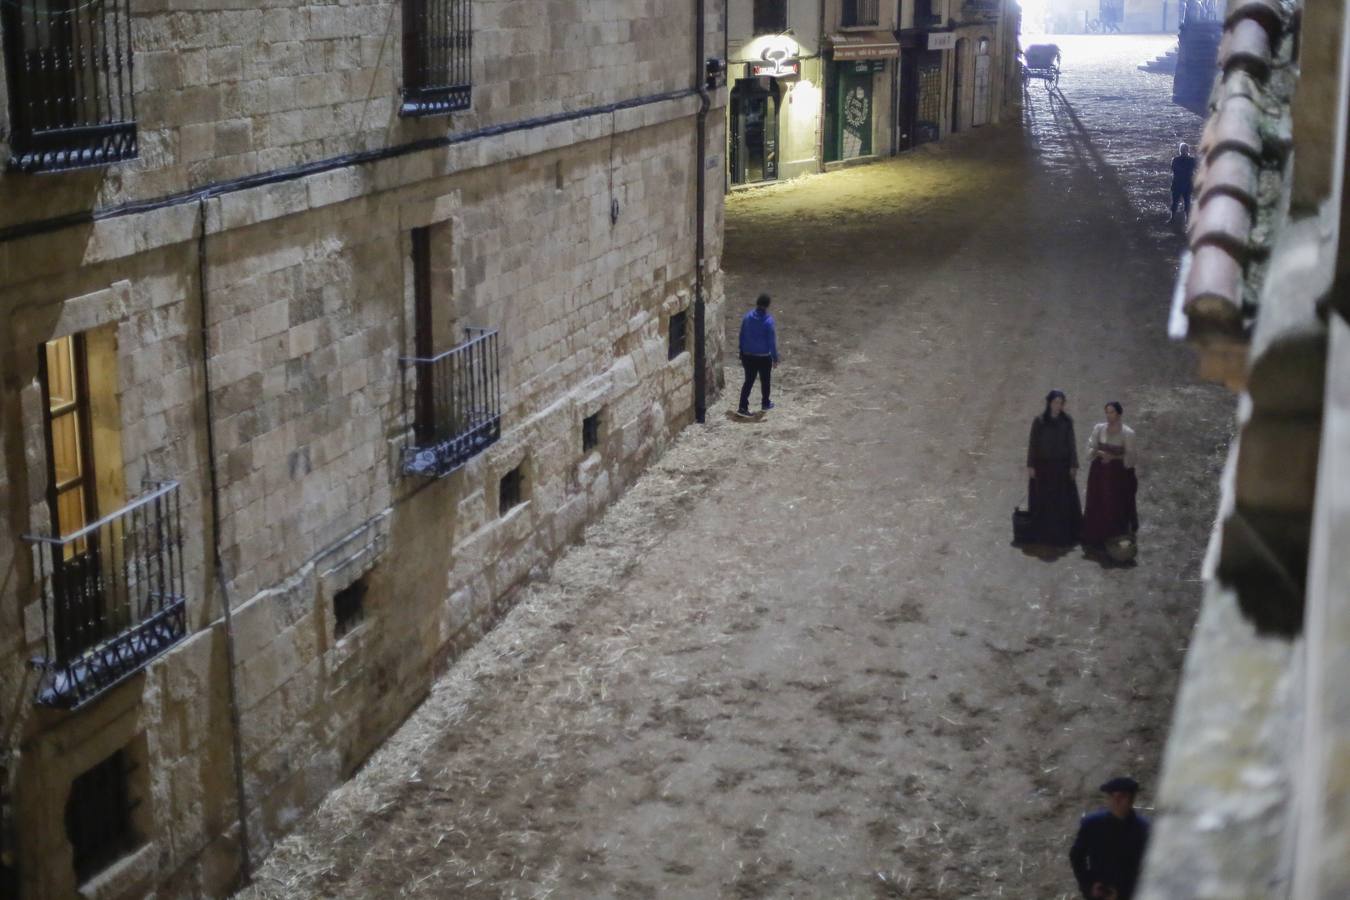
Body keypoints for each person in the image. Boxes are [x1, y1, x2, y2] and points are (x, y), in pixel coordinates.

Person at [1069, 776, 1151, 900]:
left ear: (1131, 800)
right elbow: (1076, 856)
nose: (1116, 801)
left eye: (1122, 796)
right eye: (1112, 796)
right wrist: (1089, 885)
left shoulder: (1144, 830)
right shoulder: (1092, 825)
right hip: (1100, 892)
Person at [1025, 390, 1082, 545]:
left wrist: (1073, 465)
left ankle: (1061, 535)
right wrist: (1030, 465)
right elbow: (1033, 444)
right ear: (1049, 403)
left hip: (1061, 467)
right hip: (1043, 467)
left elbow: (1071, 444)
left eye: (1061, 403)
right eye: (1055, 402)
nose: (1058, 405)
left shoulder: (1067, 421)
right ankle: (1043, 534)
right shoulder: (1039, 421)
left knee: (1061, 502)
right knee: (1044, 501)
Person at [1081, 402, 1139, 546]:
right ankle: (1096, 537)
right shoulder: (1099, 429)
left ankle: (1115, 538)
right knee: (1098, 501)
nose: (1109, 415)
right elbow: (1090, 447)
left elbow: (1131, 457)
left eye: (1112, 412)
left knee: (1115, 503)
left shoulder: (1127, 433)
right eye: (1107, 412)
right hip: (1099, 473)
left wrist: (1114, 457)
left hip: (1117, 475)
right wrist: (1098, 452)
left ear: (1119, 414)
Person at [737, 294, 779, 415]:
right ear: (767, 305)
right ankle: (765, 403)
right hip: (763, 356)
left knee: (748, 381)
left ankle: (742, 407)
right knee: (765, 380)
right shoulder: (768, 321)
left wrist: (741, 350)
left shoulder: (747, 317)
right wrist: (775, 358)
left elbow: (741, 335)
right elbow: (771, 342)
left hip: (748, 355)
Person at [1168, 143, 1197, 223]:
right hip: (1185, 184)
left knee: (1177, 203)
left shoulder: (1175, 160)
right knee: (1184, 203)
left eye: (1184, 149)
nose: (1183, 151)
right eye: (1183, 149)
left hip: (1178, 183)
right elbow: (1192, 169)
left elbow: (1174, 170)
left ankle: (1174, 219)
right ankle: (1184, 220)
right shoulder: (1191, 160)